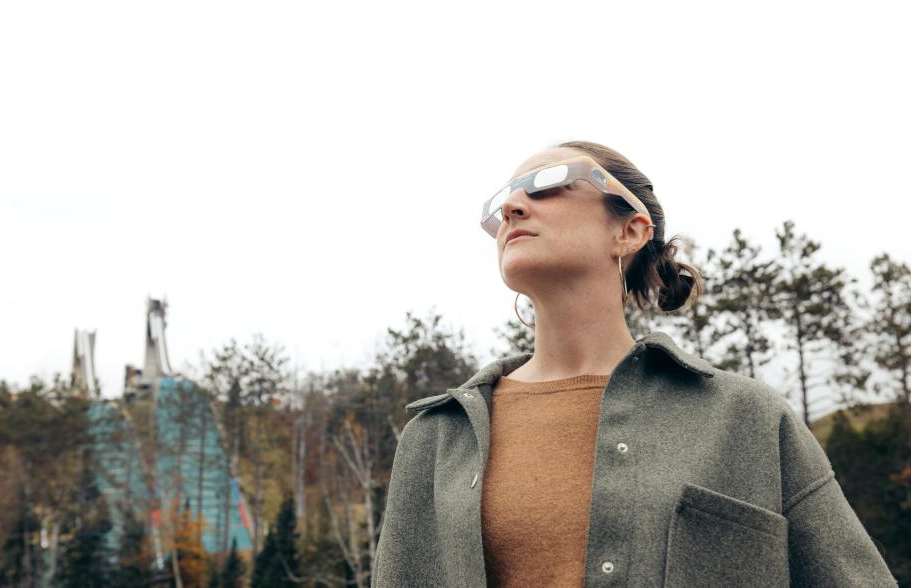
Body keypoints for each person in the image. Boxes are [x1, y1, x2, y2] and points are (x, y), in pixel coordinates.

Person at [371, 141, 898, 587]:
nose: (513, 207)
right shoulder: (435, 438)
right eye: (502, 203)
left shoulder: (749, 419)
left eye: (548, 183)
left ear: (630, 230)